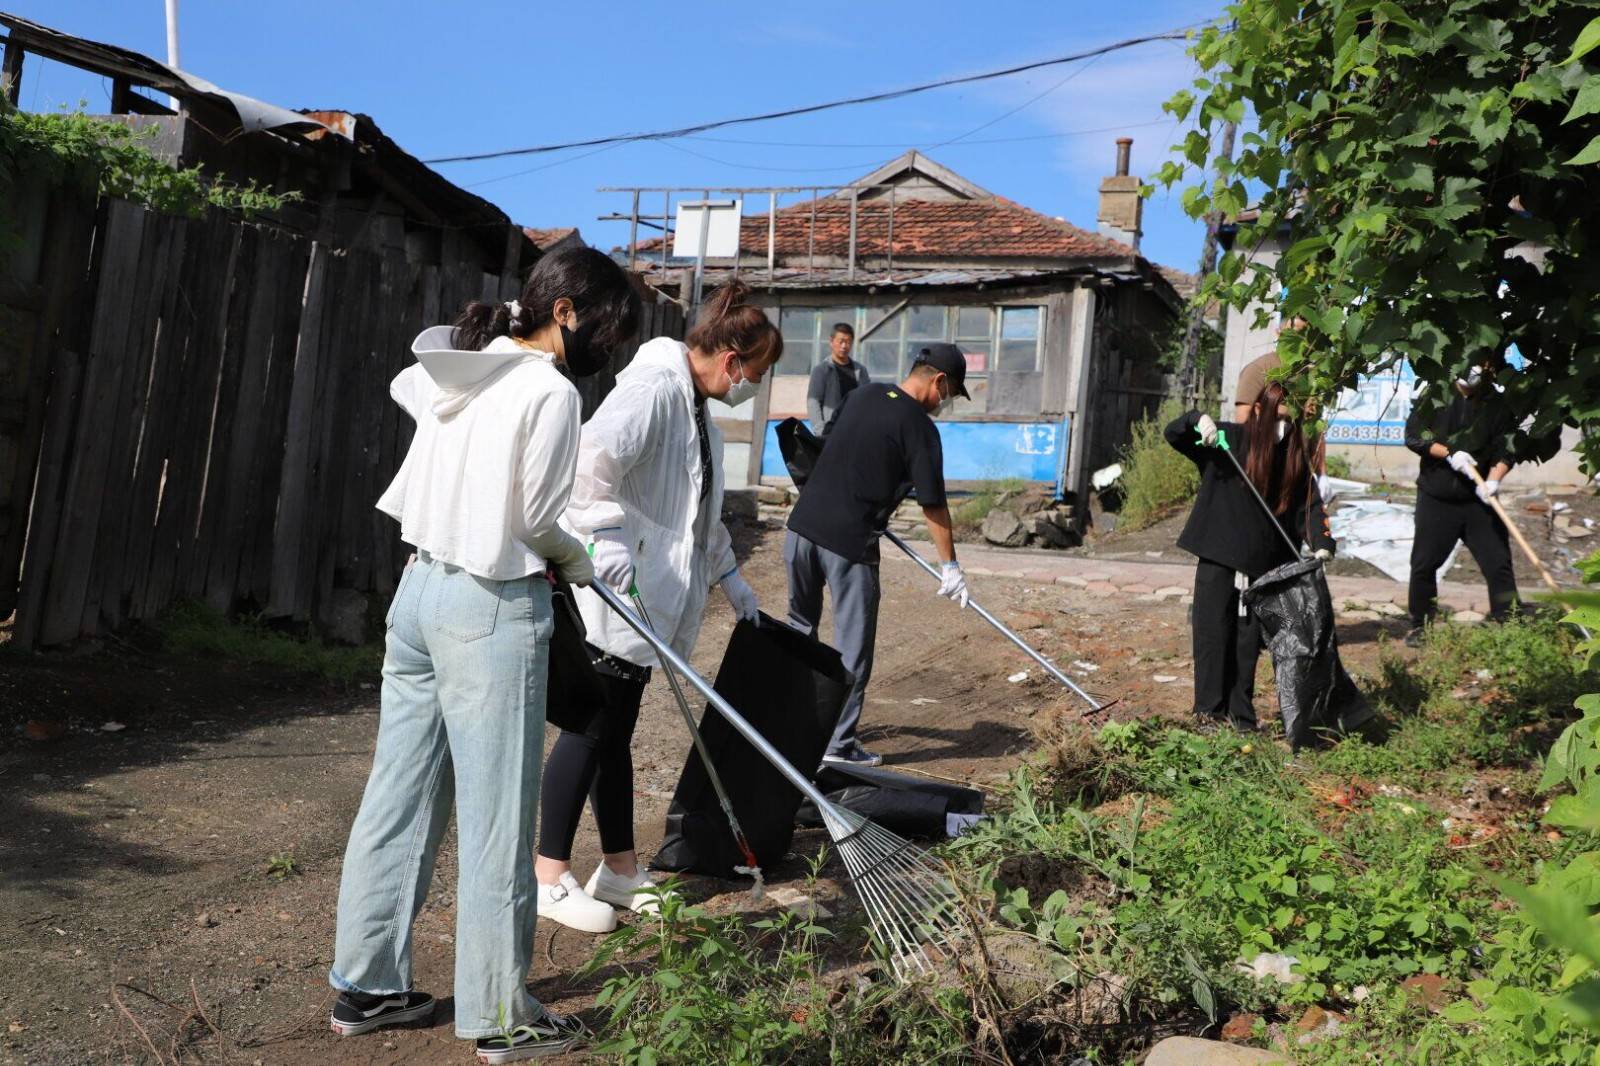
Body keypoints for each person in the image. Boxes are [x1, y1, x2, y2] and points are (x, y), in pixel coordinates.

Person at [327, 247, 640, 1062]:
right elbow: (537, 519)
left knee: (397, 794)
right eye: (606, 326)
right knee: (500, 817)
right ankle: (503, 1014)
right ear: (565, 311)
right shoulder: (545, 389)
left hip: (418, 596)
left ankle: (368, 985)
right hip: (492, 605)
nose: (608, 346)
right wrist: (579, 558)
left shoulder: (459, 368)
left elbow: (414, 379)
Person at [533, 281, 782, 933]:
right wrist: (604, 541)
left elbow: (698, 516)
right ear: (732, 362)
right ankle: (548, 877)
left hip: (649, 599)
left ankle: (617, 870)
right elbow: (591, 461)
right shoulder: (653, 390)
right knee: (589, 730)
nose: (751, 386)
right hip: (616, 591)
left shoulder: (699, 411)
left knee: (614, 736)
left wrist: (731, 577)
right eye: (754, 374)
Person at [785, 342, 972, 768]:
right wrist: (951, 567)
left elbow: (826, 447)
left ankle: (792, 725)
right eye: (950, 393)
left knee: (799, 633)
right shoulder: (921, 428)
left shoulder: (864, 394)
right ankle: (837, 746)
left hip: (800, 530)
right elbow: (933, 504)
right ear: (939, 381)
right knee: (852, 651)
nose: (945, 404)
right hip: (849, 544)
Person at [1166, 383, 1336, 731]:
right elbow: (1175, 434)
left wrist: (1322, 542)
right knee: (1213, 634)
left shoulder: (1292, 458)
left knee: (1247, 641)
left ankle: (1241, 715)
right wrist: (1197, 420)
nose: (1284, 427)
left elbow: (1310, 506)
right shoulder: (1226, 441)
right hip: (1219, 555)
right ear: (1259, 412)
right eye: (1279, 418)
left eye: (1291, 422)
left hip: (1263, 566)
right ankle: (1208, 712)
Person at [1403, 368, 1521, 645]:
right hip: (1437, 498)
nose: (1474, 371)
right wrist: (1449, 454)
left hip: (1479, 500)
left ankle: (1511, 624)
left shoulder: (1497, 405)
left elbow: (1509, 448)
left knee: (1498, 564)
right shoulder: (1435, 395)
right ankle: (1421, 625)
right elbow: (1413, 437)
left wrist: (1492, 481)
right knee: (1423, 564)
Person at [806, 321, 868, 435]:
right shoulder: (821, 370)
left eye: (848, 342)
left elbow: (867, 401)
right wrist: (821, 431)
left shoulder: (861, 371)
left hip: (856, 431)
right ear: (831, 341)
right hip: (831, 432)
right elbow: (813, 402)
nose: (844, 346)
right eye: (841, 341)